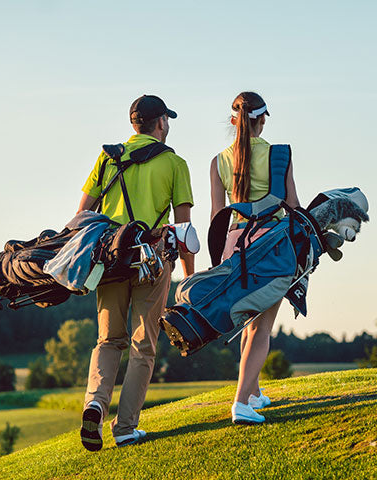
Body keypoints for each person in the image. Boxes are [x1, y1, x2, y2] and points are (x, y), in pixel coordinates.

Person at [77, 95, 194, 450]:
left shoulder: (107, 157)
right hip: (152, 259)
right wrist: (188, 279)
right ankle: (125, 428)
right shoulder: (174, 162)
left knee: (109, 340)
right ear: (160, 123)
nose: (168, 126)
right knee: (143, 345)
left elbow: (82, 215)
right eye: (167, 120)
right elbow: (184, 231)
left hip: (110, 260)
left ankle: (95, 402)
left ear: (133, 125)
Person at [210, 91, 299, 425]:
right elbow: (292, 205)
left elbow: (218, 216)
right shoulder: (279, 155)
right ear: (261, 120)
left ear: (234, 121)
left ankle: (253, 393)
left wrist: (219, 260)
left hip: (235, 243)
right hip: (271, 246)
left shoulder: (218, 160)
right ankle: (240, 404)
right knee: (262, 328)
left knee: (248, 322)